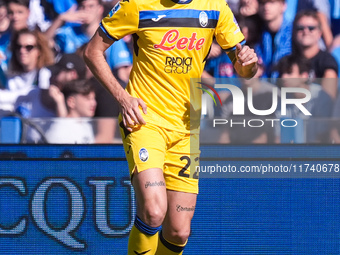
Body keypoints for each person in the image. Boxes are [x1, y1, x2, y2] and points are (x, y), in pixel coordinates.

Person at [84, 0, 258, 254]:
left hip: (187, 129)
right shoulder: (137, 4)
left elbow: (245, 70)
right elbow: (92, 52)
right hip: (144, 121)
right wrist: (123, 98)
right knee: (154, 211)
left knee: (178, 231)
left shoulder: (215, 6)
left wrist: (247, 64)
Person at [276, 55, 333, 143]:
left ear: (304, 75)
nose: (283, 77)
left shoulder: (321, 97)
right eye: (282, 73)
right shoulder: (281, 101)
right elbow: (278, 138)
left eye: (289, 72)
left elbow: (323, 137)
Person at [0, 28, 54, 112]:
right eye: (18, 46)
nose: (22, 51)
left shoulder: (45, 74)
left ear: (39, 51)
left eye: (29, 47)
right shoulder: (12, 77)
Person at [292, 10, 338, 100]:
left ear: (320, 33)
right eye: (300, 28)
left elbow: (328, 98)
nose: (306, 31)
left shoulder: (327, 61)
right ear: (294, 32)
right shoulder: (289, 60)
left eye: (311, 28)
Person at [45, 79, 97, 143]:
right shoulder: (59, 131)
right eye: (88, 98)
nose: (94, 103)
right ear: (71, 102)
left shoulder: (87, 126)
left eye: (93, 98)